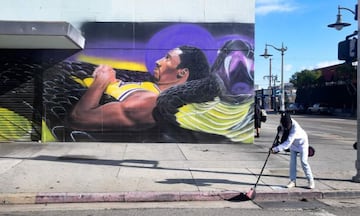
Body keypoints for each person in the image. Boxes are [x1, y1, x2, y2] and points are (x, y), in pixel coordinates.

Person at [69, 45, 210, 131]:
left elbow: (80, 118)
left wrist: (101, 81)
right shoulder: (147, 83)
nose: (157, 61)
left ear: (182, 72)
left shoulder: (149, 103)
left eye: (167, 58)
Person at [270, 113, 315, 189]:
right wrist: (279, 133)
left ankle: (311, 181)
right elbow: (281, 133)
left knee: (304, 162)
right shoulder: (284, 122)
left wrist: (275, 149)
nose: (286, 128)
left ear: (290, 123)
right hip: (293, 145)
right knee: (292, 163)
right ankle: (292, 181)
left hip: (302, 144)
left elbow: (287, 144)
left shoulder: (295, 129)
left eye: (287, 127)